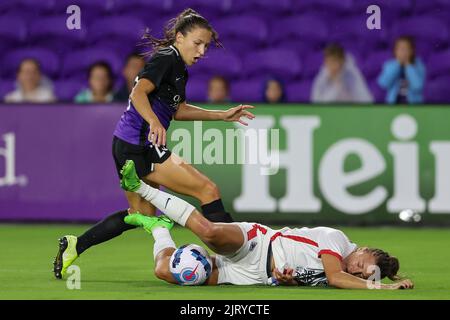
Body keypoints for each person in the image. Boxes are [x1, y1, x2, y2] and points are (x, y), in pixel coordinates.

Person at [53, 9, 255, 279]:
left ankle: (75, 244)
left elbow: (178, 110)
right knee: (207, 190)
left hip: (129, 146)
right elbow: (138, 93)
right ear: (180, 37)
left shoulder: (179, 67)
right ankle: (242, 257)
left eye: (206, 45)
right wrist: (155, 122)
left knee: (142, 216)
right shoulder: (166, 59)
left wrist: (221, 115)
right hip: (138, 146)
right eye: (197, 43)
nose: (202, 51)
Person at [120, 159, 414, 289]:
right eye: (363, 264)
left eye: (363, 275)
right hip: (256, 244)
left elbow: (304, 277)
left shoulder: (342, 277)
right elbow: (336, 276)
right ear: (361, 249)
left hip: (249, 275)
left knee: (164, 271)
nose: (358, 271)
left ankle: (157, 227)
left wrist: (284, 280)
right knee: (209, 231)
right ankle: (144, 188)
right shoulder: (336, 240)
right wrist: (382, 289)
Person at [377, 36, 426, 104]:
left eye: (406, 49)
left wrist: (408, 65)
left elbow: (417, 86)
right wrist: (397, 65)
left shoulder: (418, 65)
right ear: (395, 51)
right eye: (400, 49)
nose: (403, 52)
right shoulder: (389, 65)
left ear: (411, 51)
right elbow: (383, 84)